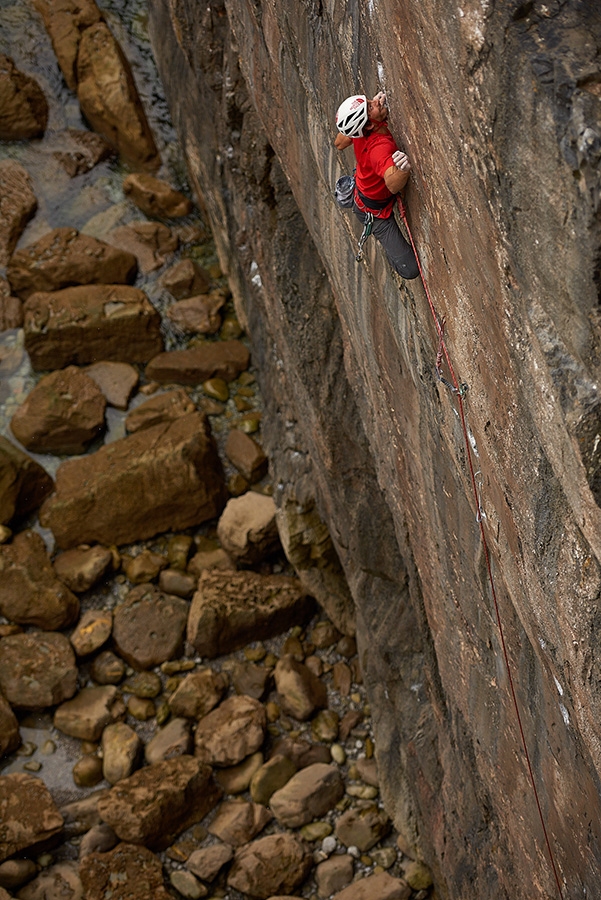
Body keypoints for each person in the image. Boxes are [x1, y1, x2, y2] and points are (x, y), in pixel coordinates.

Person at [334, 92, 419, 280]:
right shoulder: (379, 148)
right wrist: (403, 169)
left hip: (365, 191)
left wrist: (369, 109)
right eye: (371, 106)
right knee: (410, 270)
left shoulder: (357, 130)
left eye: (370, 102)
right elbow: (392, 183)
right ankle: (391, 253)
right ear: (370, 125)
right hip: (373, 213)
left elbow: (339, 143)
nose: (377, 102)